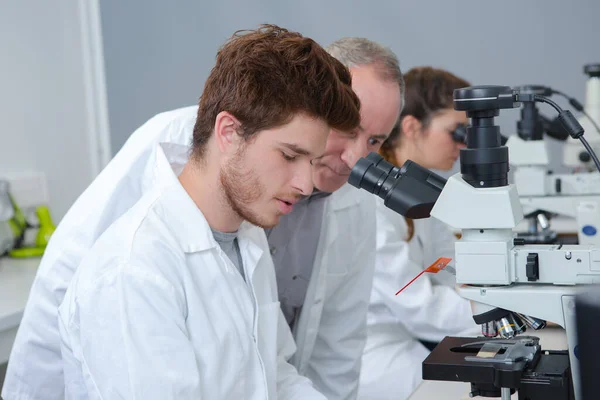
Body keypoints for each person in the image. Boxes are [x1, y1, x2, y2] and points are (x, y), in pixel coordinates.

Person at [3, 25, 362, 399]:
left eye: (312, 161)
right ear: (228, 132)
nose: (306, 184)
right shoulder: (135, 273)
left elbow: (273, 373)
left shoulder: (246, 238)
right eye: (289, 156)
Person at [357, 67, 480, 400]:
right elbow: (419, 304)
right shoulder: (373, 201)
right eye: (456, 131)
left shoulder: (420, 192)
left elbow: (445, 267)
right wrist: (498, 316)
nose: (464, 144)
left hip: (411, 337)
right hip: (374, 354)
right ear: (411, 127)